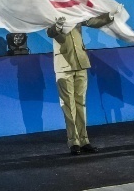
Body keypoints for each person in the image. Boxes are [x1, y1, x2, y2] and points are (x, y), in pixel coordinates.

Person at [46, 9, 119, 155]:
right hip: (64, 64)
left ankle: (84, 140)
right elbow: (50, 32)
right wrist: (58, 25)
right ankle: (73, 141)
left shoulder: (74, 11)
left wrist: (110, 16)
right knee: (68, 105)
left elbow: (92, 21)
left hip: (81, 63)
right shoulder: (50, 12)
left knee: (81, 103)